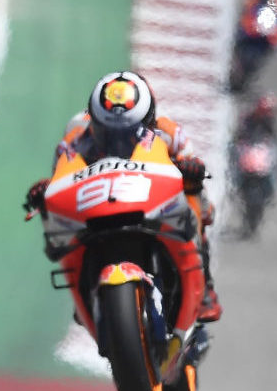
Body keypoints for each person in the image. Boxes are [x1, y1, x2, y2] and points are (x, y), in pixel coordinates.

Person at [23, 71, 222, 322]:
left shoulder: (171, 133)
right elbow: (59, 180)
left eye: (130, 131)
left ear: (150, 120)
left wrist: (191, 170)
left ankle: (205, 286)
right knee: (52, 212)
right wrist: (45, 190)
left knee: (194, 196)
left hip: (153, 203)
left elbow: (192, 165)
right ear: (93, 120)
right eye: (107, 132)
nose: (119, 140)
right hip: (99, 207)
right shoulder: (73, 139)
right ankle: (83, 285)